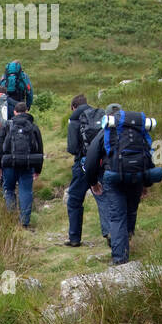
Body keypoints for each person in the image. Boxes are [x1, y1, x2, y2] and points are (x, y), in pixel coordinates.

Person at [83, 104, 162, 264]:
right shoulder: (138, 130)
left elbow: (91, 160)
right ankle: (128, 239)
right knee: (131, 211)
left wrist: (93, 182)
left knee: (117, 216)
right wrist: (146, 183)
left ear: (108, 117)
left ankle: (120, 258)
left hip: (113, 177)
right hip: (137, 177)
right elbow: (149, 157)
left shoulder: (105, 132)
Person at [64, 93, 109, 247]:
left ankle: (75, 238)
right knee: (103, 197)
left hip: (82, 164)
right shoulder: (100, 115)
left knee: (74, 200)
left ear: (73, 107)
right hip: (102, 163)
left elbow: (72, 148)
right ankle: (110, 232)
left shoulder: (74, 120)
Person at [0, 100, 44, 228]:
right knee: (26, 191)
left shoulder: (7, 125)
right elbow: (39, 149)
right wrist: (38, 169)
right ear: (27, 111)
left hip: (9, 164)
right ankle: (24, 223)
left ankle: (11, 219)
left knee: (9, 189)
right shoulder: (33, 127)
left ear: (14, 112)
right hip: (27, 164)